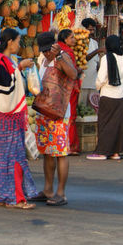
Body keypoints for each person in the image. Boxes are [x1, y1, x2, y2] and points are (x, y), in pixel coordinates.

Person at [0, 28, 38, 209]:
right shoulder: (2, 61)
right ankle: (16, 198)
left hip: (6, 116)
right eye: (18, 41)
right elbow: (5, 87)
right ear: (10, 42)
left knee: (4, 157)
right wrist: (20, 68)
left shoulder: (4, 60)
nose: (19, 45)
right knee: (14, 157)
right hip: (8, 116)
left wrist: (18, 67)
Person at [31, 30, 78, 206]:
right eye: (43, 51)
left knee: (60, 153)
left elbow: (73, 75)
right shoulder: (42, 60)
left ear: (54, 45)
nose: (46, 53)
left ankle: (61, 193)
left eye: (48, 50)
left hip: (59, 114)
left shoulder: (63, 56)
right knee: (47, 153)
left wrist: (59, 57)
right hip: (44, 112)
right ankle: (48, 189)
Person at [89, 35, 123, 160]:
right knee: (119, 124)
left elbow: (101, 78)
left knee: (105, 123)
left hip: (108, 94)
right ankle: (116, 152)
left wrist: (98, 87)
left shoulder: (106, 58)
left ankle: (102, 152)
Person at [78, 17, 104, 113]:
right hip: (83, 82)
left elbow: (96, 61)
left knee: (92, 110)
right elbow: (83, 59)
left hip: (93, 82)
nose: (92, 32)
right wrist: (97, 51)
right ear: (84, 29)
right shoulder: (79, 42)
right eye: (90, 29)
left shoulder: (95, 43)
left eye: (93, 29)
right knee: (81, 108)